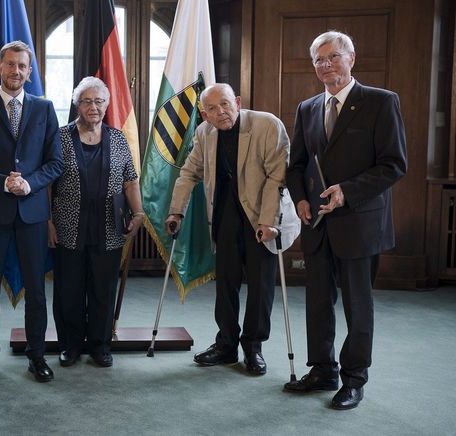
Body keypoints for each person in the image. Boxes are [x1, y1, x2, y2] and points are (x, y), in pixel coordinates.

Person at [285, 31, 407, 410]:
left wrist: (347, 191)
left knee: (358, 305)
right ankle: (323, 369)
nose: (326, 65)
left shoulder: (381, 102)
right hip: (318, 226)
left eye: (333, 57)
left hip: (359, 223)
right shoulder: (307, 108)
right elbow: (297, 165)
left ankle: (354, 380)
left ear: (351, 58)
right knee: (318, 302)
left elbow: (393, 165)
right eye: (319, 60)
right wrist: (300, 198)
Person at [165, 83, 289, 375]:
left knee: (260, 287)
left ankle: (253, 347)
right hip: (226, 215)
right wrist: (175, 211)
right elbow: (188, 172)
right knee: (226, 284)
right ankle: (226, 345)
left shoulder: (267, 125)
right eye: (211, 108)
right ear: (204, 114)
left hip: (262, 214)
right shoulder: (204, 133)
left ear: (237, 101)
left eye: (224, 104)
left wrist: (269, 221)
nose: (220, 112)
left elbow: (277, 177)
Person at [0, 40, 63, 384]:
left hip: (32, 214)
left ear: (29, 72)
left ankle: (37, 356)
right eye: (10, 65)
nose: (16, 71)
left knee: (36, 291)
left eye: (22, 66)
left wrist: (29, 184)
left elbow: (56, 163)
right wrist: (5, 183)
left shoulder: (45, 109)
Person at [49, 76, 144, 368]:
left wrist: (138, 213)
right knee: (69, 289)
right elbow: (48, 183)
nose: (93, 107)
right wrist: (47, 221)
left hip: (109, 227)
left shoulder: (117, 138)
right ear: (77, 104)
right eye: (87, 101)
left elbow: (130, 180)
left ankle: (101, 345)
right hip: (67, 226)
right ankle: (70, 345)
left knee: (103, 289)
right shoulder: (61, 136)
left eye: (99, 101)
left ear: (107, 104)